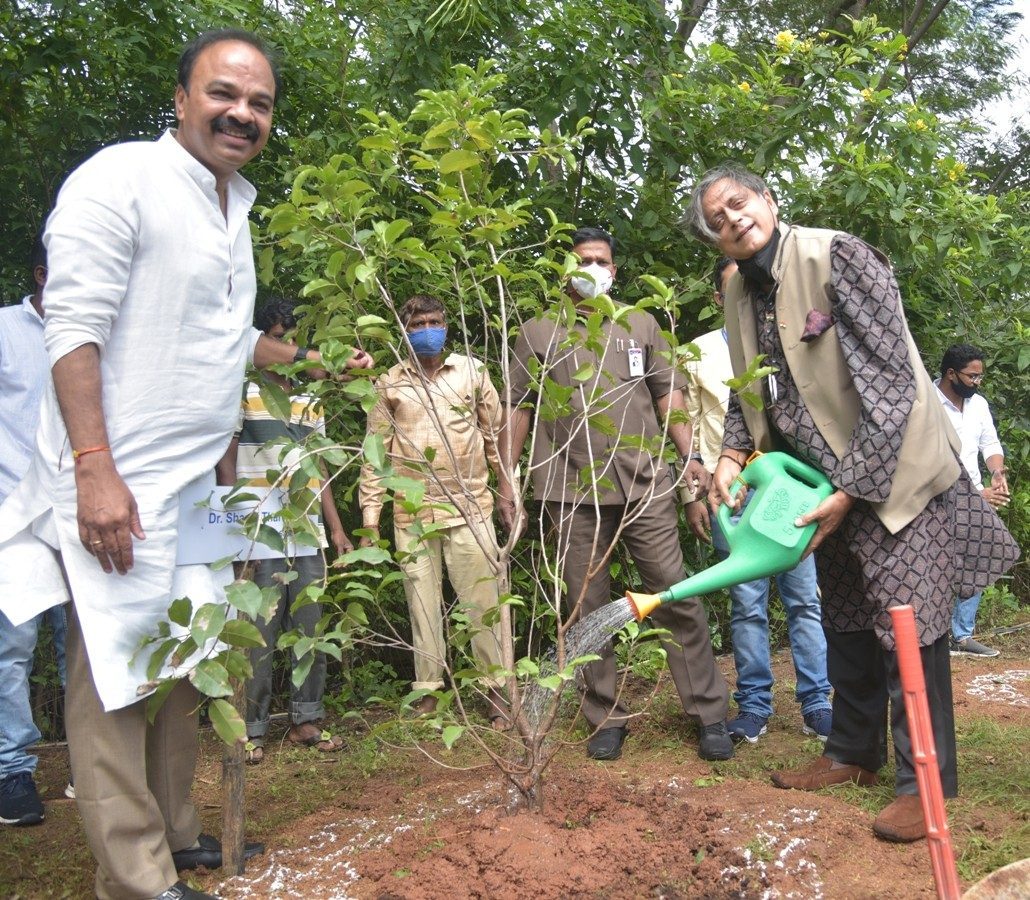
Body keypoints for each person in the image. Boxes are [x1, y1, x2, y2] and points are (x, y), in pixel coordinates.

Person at [0, 30, 371, 900]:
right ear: (180, 99)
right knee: (115, 681)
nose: (242, 113)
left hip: (194, 492)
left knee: (182, 671)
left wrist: (310, 365)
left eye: (260, 102)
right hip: (116, 483)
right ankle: (134, 877)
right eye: (223, 94)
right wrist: (94, 465)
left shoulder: (232, 205)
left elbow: (224, 340)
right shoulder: (119, 179)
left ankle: (175, 831)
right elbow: (73, 326)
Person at [685, 164, 1018, 843]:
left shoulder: (838, 255)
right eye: (716, 222)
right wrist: (727, 455)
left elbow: (895, 384)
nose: (732, 222)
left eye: (738, 204)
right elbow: (753, 395)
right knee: (843, 619)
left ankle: (923, 786)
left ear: (768, 200)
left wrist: (851, 489)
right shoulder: (740, 295)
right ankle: (851, 753)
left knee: (909, 627)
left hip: (891, 478)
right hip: (814, 487)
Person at [501, 226, 733, 763]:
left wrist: (690, 456)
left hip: (645, 482)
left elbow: (667, 395)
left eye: (599, 260)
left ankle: (708, 713)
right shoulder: (537, 331)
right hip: (567, 488)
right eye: (580, 260)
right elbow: (520, 406)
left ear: (614, 270)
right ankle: (604, 714)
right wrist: (509, 477)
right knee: (584, 606)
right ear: (564, 270)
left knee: (675, 591)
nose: (590, 268)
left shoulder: (641, 322)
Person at [684, 257, 832, 744]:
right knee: (746, 604)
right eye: (732, 291)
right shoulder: (698, 353)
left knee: (804, 600)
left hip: (787, 494)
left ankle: (817, 701)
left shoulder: (784, 340)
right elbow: (684, 429)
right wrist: (696, 493)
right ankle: (754, 706)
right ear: (718, 298)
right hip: (732, 498)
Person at [358, 294, 510, 727]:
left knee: (483, 603)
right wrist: (371, 520)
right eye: (419, 322)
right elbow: (375, 456)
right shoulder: (389, 383)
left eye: (435, 321)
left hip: (471, 507)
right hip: (412, 513)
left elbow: (494, 436)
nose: (429, 329)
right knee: (422, 608)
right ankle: (428, 692)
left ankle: (496, 690)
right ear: (405, 330)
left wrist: (506, 493)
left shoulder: (473, 372)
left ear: (447, 325)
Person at [219, 298, 354, 764]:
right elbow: (226, 457)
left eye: (292, 337)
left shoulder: (307, 398)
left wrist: (335, 529)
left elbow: (319, 466)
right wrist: (231, 524)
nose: (287, 346)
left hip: (305, 532)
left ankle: (306, 719)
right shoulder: (240, 390)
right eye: (277, 337)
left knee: (309, 631)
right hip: (257, 529)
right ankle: (250, 729)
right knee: (256, 634)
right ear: (261, 342)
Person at [0, 236, 69, 827]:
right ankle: (12, 771)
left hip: (79, 513)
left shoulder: (94, 332)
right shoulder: (4, 330)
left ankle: (89, 769)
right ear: (43, 272)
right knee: (12, 650)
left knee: (87, 648)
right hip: (12, 521)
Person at [935, 343, 1010, 658]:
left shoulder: (978, 404)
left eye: (980, 377)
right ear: (951, 373)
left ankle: (961, 636)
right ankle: (934, 635)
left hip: (976, 495)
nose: (977, 383)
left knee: (983, 555)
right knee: (937, 566)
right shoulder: (926, 401)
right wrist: (974, 493)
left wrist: (996, 472)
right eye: (971, 377)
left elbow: (989, 442)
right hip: (935, 497)